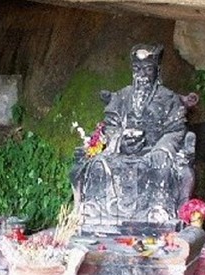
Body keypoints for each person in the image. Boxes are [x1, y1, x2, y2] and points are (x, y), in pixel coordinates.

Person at [71, 44, 196, 232]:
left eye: (148, 69)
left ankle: (158, 211)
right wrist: (120, 141)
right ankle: (95, 211)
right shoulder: (123, 96)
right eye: (138, 69)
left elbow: (176, 130)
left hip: (154, 151)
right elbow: (110, 126)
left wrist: (161, 149)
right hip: (121, 152)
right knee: (98, 164)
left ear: (157, 70)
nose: (142, 75)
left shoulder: (168, 98)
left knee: (160, 166)